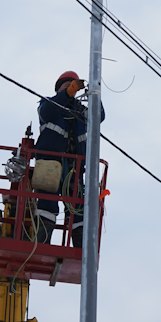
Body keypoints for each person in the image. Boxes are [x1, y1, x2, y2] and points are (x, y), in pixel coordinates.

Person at [33, 70, 104, 248]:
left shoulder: (80, 111)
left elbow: (99, 117)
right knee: (47, 202)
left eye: (74, 87)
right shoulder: (49, 103)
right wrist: (67, 93)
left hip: (74, 166)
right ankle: (41, 242)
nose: (72, 90)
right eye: (68, 86)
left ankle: (81, 245)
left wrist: (95, 94)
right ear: (59, 90)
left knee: (78, 206)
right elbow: (47, 112)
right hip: (50, 162)